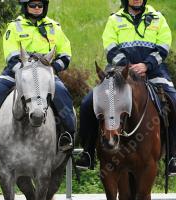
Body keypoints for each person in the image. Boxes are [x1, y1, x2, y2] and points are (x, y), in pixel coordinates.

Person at [0, 0, 76, 181]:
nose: (37, 8)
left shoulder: (55, 27)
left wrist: (52, 69)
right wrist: (26, 74)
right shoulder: (14, 27)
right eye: (33, 5)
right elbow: (10, 55)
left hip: (45, 74)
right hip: (17, 72)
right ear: (25, 7)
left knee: (62, 93)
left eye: (40, 5)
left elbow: (66, 54)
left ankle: (66, 135)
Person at [75, 0, 176, 174]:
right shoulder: (114, 19)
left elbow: (164, 45)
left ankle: (173, 157)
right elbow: (110, 47)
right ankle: (88, 152)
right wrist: (128, 67)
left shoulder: (158, 18)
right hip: (119, 71)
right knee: (87, 104)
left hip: (153, 72)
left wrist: (146, 65)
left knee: (174, 102)